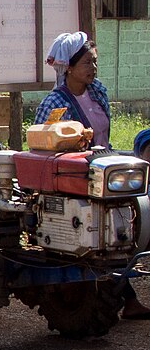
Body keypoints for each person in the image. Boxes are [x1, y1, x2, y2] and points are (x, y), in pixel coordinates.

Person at [35, 32, 150, 319]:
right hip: (77, 177)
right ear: (69, 67)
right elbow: (43, 146)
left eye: (95, 62)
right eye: (87, 63)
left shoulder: (98, 91)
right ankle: (126, 297)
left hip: (106, 168)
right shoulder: (54, 104)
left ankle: (126, 290)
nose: (93, 68)